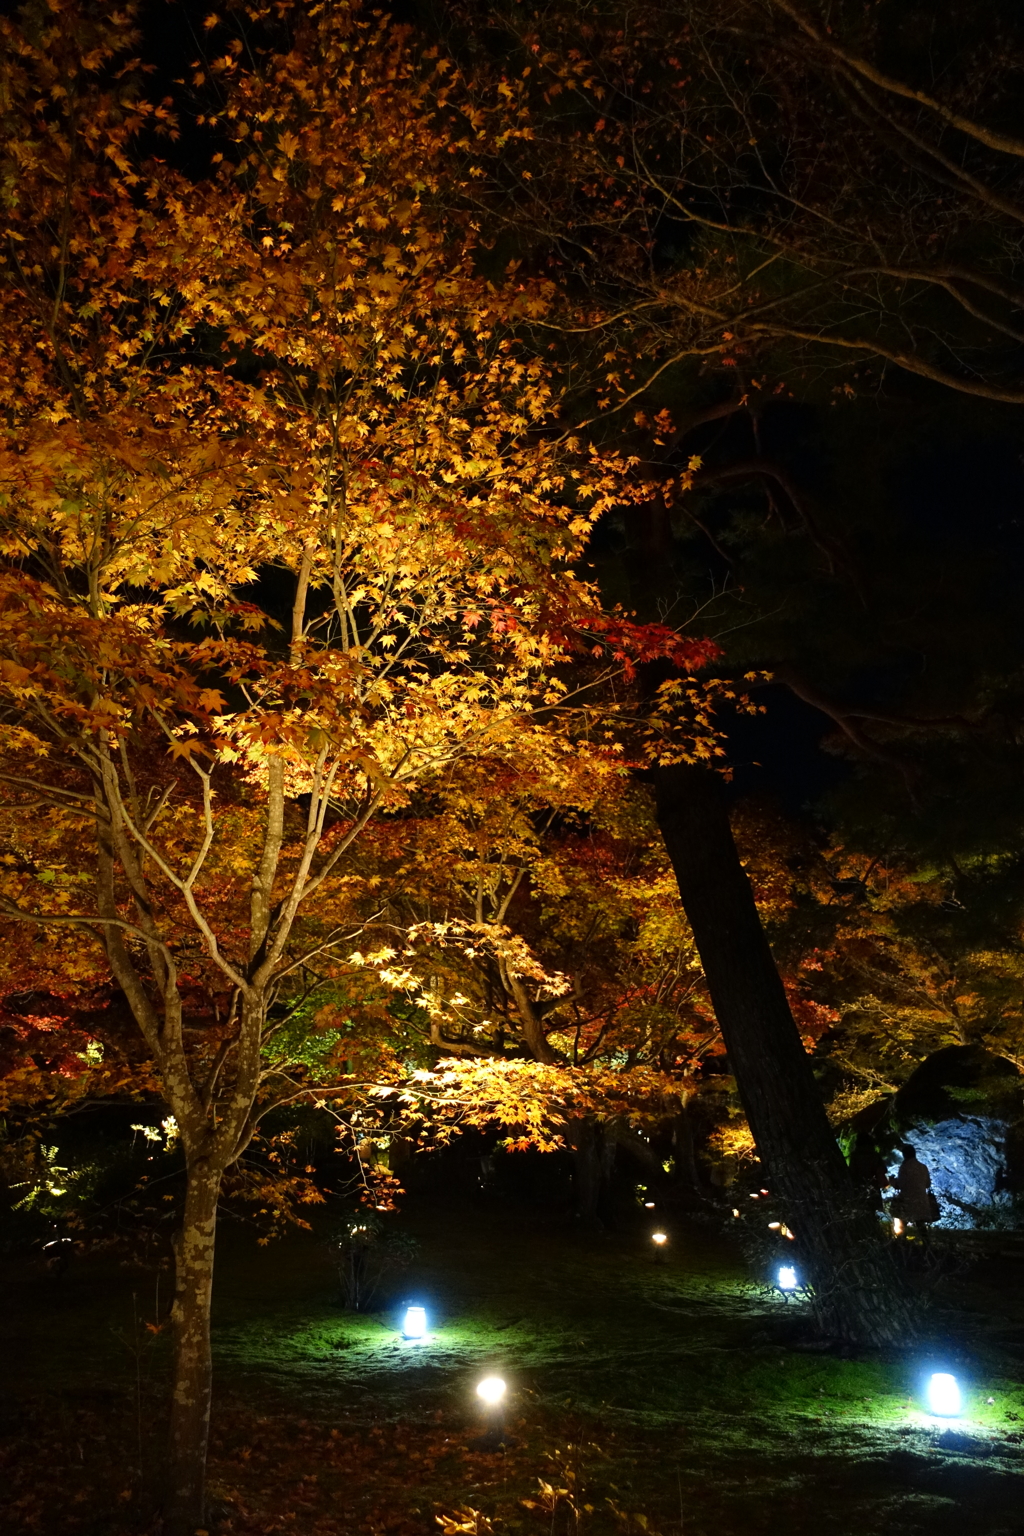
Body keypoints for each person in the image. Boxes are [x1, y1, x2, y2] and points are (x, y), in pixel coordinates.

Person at [892, 1144, 936, 1233]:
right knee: (920, 1224)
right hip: (922, 1200)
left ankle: (900, 1241)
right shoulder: (923, 1167)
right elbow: (927, 1184)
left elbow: (900, 1184)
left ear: (904, 1155)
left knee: (902, 1222)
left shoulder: (904, 1167)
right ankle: (926, 1244)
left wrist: (892, 1181)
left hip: (907, 1200)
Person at [849, 1132, 888, 1212]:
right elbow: (882, 1170)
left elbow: (851, 1171)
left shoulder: (855, 1156)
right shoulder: (875, 1155)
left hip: (859, 1186)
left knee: (863, 1209)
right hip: (873, 1185)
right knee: (875, 1209)